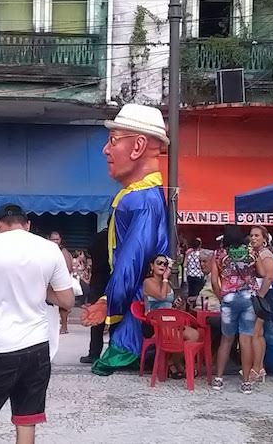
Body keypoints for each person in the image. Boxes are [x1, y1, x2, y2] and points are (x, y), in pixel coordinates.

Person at [0, 204, 75, 444]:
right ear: (28, 224)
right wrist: (40, 289)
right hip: (38, 346)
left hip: (0, 347)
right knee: (26, 420)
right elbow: (67, 301)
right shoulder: (50, 249)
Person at [81, 104, 169, 376]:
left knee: (106, 368)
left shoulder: (142, 201)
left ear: (138, 146)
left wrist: (109, 301)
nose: (106, 150)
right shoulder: (140, 197)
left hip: (133, 324)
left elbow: (131, 260)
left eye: (113, 140)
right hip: (132, 307)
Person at [211, 225, 258, 394]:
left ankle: (218, 379)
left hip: (229, 298)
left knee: (226, 340)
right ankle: (246, 382)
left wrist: (221, 297)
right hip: (248, 298)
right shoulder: (251, 252)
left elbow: (214, 280)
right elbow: (260, 271)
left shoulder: (219, 254)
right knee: (246, 340)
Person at [249, 226, 273, 384]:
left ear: (264, 239)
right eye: (251, 235)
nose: (253, 238)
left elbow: (269, 277)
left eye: (256, 235)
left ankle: (256, 368)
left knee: (255, 333)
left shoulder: (265, 254)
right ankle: (260, 367)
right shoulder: (256, 253)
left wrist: (260, 296)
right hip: (258, 296)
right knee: (258, 333)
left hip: (263, 296)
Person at [80, 227, 109, 365]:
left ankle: (94, 353)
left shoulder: (97, 238)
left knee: (96, 318)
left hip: (98, 281)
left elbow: (90, 253)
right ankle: (114, 352)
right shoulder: (120, 237)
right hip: (115, 281)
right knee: (116, 318)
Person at [49, 231, 74, 334]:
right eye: (53, 239)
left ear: (60, 240)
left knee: (63, 305)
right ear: (49, 239)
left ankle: (64, 327)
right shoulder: (48, 250)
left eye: (57, 239)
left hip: (60, 281)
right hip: (49, 281)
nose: (55, 241)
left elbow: (69, 268)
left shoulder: (63, 251)